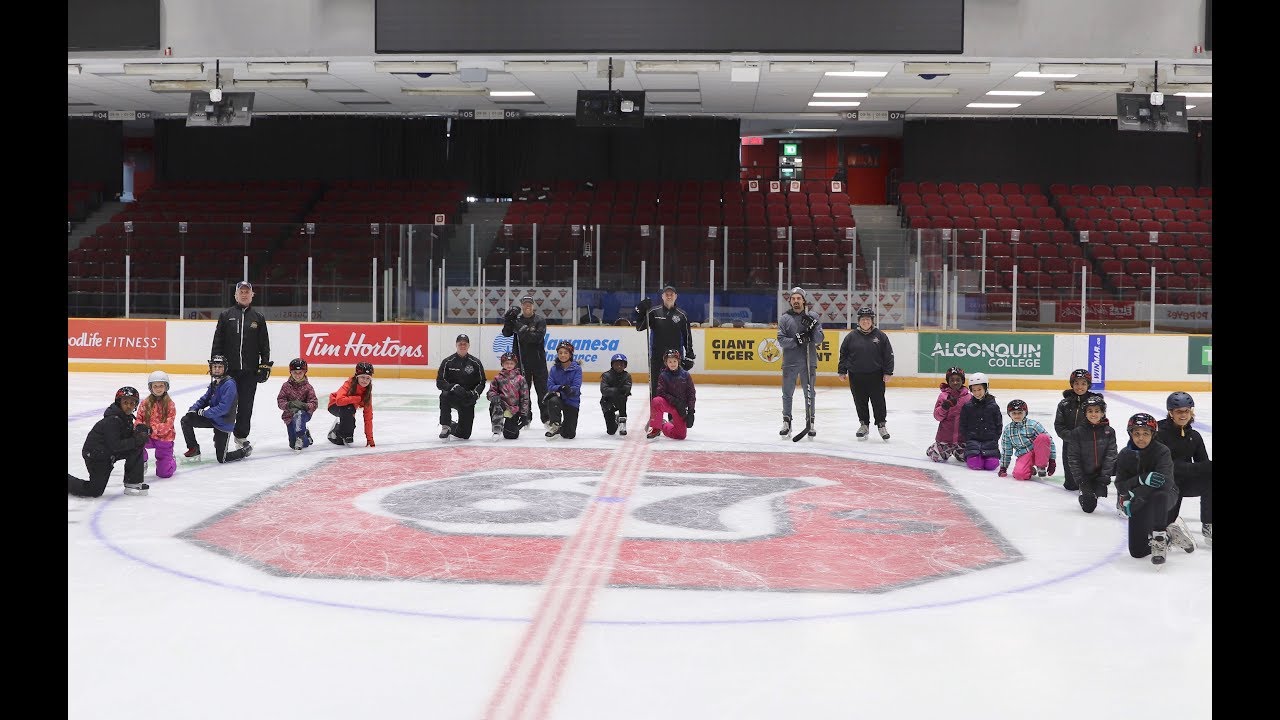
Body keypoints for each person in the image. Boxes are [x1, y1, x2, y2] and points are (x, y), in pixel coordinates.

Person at [211, 280, 272, 453]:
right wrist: (215, 365)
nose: (244, 294)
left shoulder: (258, 318)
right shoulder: (226, 315)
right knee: (226, 404)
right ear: (235, 295)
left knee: (246, 405)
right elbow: (218, 342)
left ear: (252, 295)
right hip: (228, 372)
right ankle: (221, 435)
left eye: (247, 292)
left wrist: (265, 365)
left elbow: (264, 344)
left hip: (250, 372)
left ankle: (241, 436)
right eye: (241, 292)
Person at [1114, 413, 1180, 565]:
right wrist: (1140, 479)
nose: (1141, 438)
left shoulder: (1162, 451)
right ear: (1130, 434)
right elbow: (1120, 485)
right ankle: (1171, 534)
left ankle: (1159, 538)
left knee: (1159, 494)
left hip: (1166, 496)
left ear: (1153, 434)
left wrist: (1135, 493)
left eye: (1145, 433)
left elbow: (1165, 482)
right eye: (1136, 433)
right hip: (1139, 500)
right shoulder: (1124, 454)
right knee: (1137, 552)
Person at [69, 387, 153, 497]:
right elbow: (116, 446)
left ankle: (132, 482)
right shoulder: (112, 421)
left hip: (108, 452)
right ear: (119, 403)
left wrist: (142, 431)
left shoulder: (126, 418)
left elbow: (127, 439)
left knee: (137, 445)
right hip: (96, 455)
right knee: (94, 491)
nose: (129, 406)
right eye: (125, 402)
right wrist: (136, 439)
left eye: (132, 403)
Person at [1156, 391, 1212, 549]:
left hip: (1184, 481)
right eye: (1179, 411)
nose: (1183, 415)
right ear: (1170, 413)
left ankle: (1209, 524)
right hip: (1165, 484)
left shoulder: (1194, 436)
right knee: (1165, 524)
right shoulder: (1159, 434)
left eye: (1186, 411)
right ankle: (1166, 530)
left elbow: (1204, 466)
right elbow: (1166, 466)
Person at [180, 355, 252, 463]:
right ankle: (193, 448)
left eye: (220, 367)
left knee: (222, 458)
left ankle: (245, 450)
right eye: (215, 367)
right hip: (212, 418)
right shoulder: (214, 384)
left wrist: (205, 413)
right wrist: (193, 409)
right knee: (186, 420)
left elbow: (224, 408)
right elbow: (204, 399)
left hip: (223, 423)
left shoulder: (230, 384)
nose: (217, 369)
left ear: (225, 369)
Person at [837, 306, 894, 440]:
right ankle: (864, 425)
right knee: (860, 401)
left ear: (872, 321)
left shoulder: (880, 336)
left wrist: (888, 372)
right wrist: (842, 370)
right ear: (859, 321)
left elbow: (888, 355)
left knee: (878, 401)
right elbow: (843, 354)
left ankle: (881, 425)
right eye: (863, 319)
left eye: (868, 319)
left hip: (876, 375)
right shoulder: (851, 337)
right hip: (856, 376)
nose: (865, 322)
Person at [776, 287, 824, 437]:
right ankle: (787, 421)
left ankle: (810, 423)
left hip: (808, 362)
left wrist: (813, 328)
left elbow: (819, 339)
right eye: (793, 299)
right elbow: (781, 340)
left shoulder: (813, 316)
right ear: (790, 301)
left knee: (809, 393)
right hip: (790, 362)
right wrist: (797, 340)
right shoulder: (784, 318)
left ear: (804, 300)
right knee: (787, 393)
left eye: (799, 298)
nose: (796, 301)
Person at [634, 285, 695, 401]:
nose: (669, 296)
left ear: (676, 296)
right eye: (666, 294)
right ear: (662, 296)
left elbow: (687, 336)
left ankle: (674, 418)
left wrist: (690, 355)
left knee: (675, 389)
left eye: (671, 294)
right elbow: (639, 327)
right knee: (656, 388)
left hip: (675, 358)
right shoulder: (653, 312)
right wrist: (640, 312)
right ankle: (656, 418)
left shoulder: (682, 315)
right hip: (657, 357)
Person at [1065, 394, 1117, 513]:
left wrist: (1105, 477)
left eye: (1097, 411)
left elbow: (1111, 455)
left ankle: (1123, 496)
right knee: (1089, 507)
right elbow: (1073, 458)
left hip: (1101, 473)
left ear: (1103, 413)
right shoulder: (1077, 433)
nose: (1093, 414)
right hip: (1085, 475)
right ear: (1085, 413)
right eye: (1090, 411)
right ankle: (1084, 491)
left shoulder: (1109, 431)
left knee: (1126, 461)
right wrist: (1080, 479)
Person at [1053, 368, 1104, 492]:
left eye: (1083, 383)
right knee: (1072, 485)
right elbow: (1059, 425)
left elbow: (1102, 423)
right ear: (1072, 384)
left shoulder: (1096, 403)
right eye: (1076, 383)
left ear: (1088, 385)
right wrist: (1071, 437)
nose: (1079, 386)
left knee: (1090, 481)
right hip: (1070, 444)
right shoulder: (1064, 404)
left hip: (1090, 444)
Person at [502, 295, 550, 425]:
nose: (527, 306)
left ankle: (546, 418)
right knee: (524, 392)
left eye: (529, 303)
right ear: (522, 306)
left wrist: (519, 327)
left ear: (533, 306)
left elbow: (536, 338)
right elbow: (506, 333)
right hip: (521, 362)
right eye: (525, 303)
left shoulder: (540, 320)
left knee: (543, 391)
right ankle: (525, 418)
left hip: (539, 362)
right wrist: (507, 320)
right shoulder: (516, 320)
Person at [436, 334, 487, 440]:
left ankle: (452, 425)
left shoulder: (475, 363)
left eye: (465, 344)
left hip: (467, 398)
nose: (462, 346)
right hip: (452, 396)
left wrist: (475, 394)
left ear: (468, 345)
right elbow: (440, 382)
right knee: (444, 396)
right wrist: (453, 387)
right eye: (460, 344)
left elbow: (482, 382)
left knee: (464, 435)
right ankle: (445, 425)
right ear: (456, 345)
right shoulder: (447, 362)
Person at [997, 399, 1057, 480]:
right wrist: (1003, 467)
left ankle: (1041, 467)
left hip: (1039, 453)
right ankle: (1030, 469)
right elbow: (1006, 450)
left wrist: (1052, 460)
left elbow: (1049, 441)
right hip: (1024, 455)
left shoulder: (1033, 425)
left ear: (1025, 413)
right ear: (1009, 414)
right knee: (1019, 475)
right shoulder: (1008, 430)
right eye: (1014, 413)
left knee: (1043, 437)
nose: (1017, 416)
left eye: (1020, 413)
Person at [647, 348, 696, 441]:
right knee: (656, 401)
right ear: (666, 363)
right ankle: (656, 428)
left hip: (680, 408)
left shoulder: (686, 375)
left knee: (680, 435)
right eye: (670, 361)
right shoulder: (663, 375)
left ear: (678, 361)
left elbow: (691, 394)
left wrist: (691, 411)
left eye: (674, 361)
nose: (672, 364)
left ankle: (663, 424)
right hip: (669, 403)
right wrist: (675, 401)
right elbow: (660, 392)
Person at [136, 370, 177, 479]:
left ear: (166, 387)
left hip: (164, 439)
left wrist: (151, 429)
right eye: (155, 386)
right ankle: (142, 461)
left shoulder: (170, 404)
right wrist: (140, 430)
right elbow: (139, 419)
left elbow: (168, 424)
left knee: (164, 474)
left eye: (161, 386)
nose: (158, 389)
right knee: (135, 443)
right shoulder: (145, 403)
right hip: (148, 437)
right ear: (151, 387)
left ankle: (171, 462)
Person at [958, 372, 1002, 471]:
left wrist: (994, 438)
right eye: (974, 390)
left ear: (986, 388)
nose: (977, 393)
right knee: (975, 464)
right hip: (972, 441)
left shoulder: (993, 406)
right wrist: (968, 438)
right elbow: (963, 425)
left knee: (992, 465)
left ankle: (986, 456)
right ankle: (976, 456)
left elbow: (998, 425)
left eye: (979, 389)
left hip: (990, 442)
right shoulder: (967, 406)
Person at [927, 366, 971, 463]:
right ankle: (933, 448)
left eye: (958, 380)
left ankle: (956, 451)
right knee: (938, 458)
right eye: (952, 380)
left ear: (962, 381)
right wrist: (944, 407)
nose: (955, 382)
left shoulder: (968, 397)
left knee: (966, 458)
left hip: (962, 438)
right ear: (948, 381)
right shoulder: (943, 396)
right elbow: (937, 416)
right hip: (945, 437)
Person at [327, 362, 375, 447]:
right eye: (362, 377)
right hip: (334, 405)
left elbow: (368, 417)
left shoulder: (367, 393)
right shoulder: (349, 383)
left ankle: (337, 430)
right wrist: (357, 398)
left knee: (341, 440)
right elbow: (339, 401)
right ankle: (342, 433)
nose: (365, 380)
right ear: (357, 377)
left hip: (349, 410)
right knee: (349, 409)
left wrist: (370, 439)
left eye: (368, 378)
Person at [487, 352, 532, 440]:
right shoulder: (498, 378)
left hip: (514, 409)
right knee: (496, 404)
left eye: (511, 363)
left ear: (515, 364)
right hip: (501, 406)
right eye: (506, 363)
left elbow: (525, 397)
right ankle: (497, 429)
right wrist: (493, 396)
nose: (509, 365)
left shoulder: (520, 379)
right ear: (502, 364)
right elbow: (490, 392)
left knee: (511, 435)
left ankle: (508, 425)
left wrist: (523, 414)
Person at [277, 358, 319, 452]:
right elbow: (280, 401)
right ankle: (306, 436)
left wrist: (305, 406)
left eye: (300, 372)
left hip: (304, 415)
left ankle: (300, 435)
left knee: (300, 414)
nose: (297, 375)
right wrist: (289, 405)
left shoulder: (308, 387)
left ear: (305, 372)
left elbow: (314, 403)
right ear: (290, 372)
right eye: (294, 372)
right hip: (289, 416)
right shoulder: (286, 386)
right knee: (293, 445)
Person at [545, 340, 583, 439]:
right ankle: (555, 424)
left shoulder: (577, 369)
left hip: (572, 400)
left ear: (570, 354)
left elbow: (576, 387)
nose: (562, 355)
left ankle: (563, 427)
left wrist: (565, 392)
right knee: (553, 400)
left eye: (566, 353)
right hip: (558, 399)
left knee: (569, 434)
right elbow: (550, 385)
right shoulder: (554, 369)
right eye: (560, 353)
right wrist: (561, 387)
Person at [599, 352, 633, 436]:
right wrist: (618, 390)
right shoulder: (606, 375)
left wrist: (621, 391)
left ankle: (622, 422)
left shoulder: (627, 376)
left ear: (625, 366)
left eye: (621, 364)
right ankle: (616, 419)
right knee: (611, 431)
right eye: (616, 364)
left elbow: (627, 388)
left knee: (622, 398)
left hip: (620, 402)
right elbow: (604, 390)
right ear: (612, 365)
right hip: (607, 402)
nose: (619, 366)